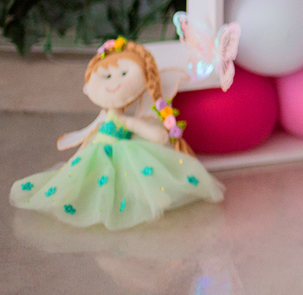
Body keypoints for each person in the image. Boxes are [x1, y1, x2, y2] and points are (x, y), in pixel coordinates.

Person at [10, 37, 224, 230]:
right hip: (96, 153)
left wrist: (156, 133)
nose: (114, 82)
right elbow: (88, 138)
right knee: (89, 180)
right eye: (107, 76)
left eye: (122, 74)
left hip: (127, 153)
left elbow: (157, 136)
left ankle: (148, 200)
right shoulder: (102, 119)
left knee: (128, 181)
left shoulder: (126, 120)